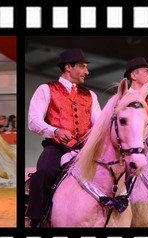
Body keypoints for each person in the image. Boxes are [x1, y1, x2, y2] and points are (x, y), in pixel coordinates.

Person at [26, 49, 101, 227]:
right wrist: (55, 131)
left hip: (84, 150)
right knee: (43, 174)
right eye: (83, 67)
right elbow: (33, 121)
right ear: (68, 67)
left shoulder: (91, 95)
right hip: (56, 147)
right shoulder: (46, 89)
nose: (87, 72)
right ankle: (36, 220)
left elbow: (98, 126)